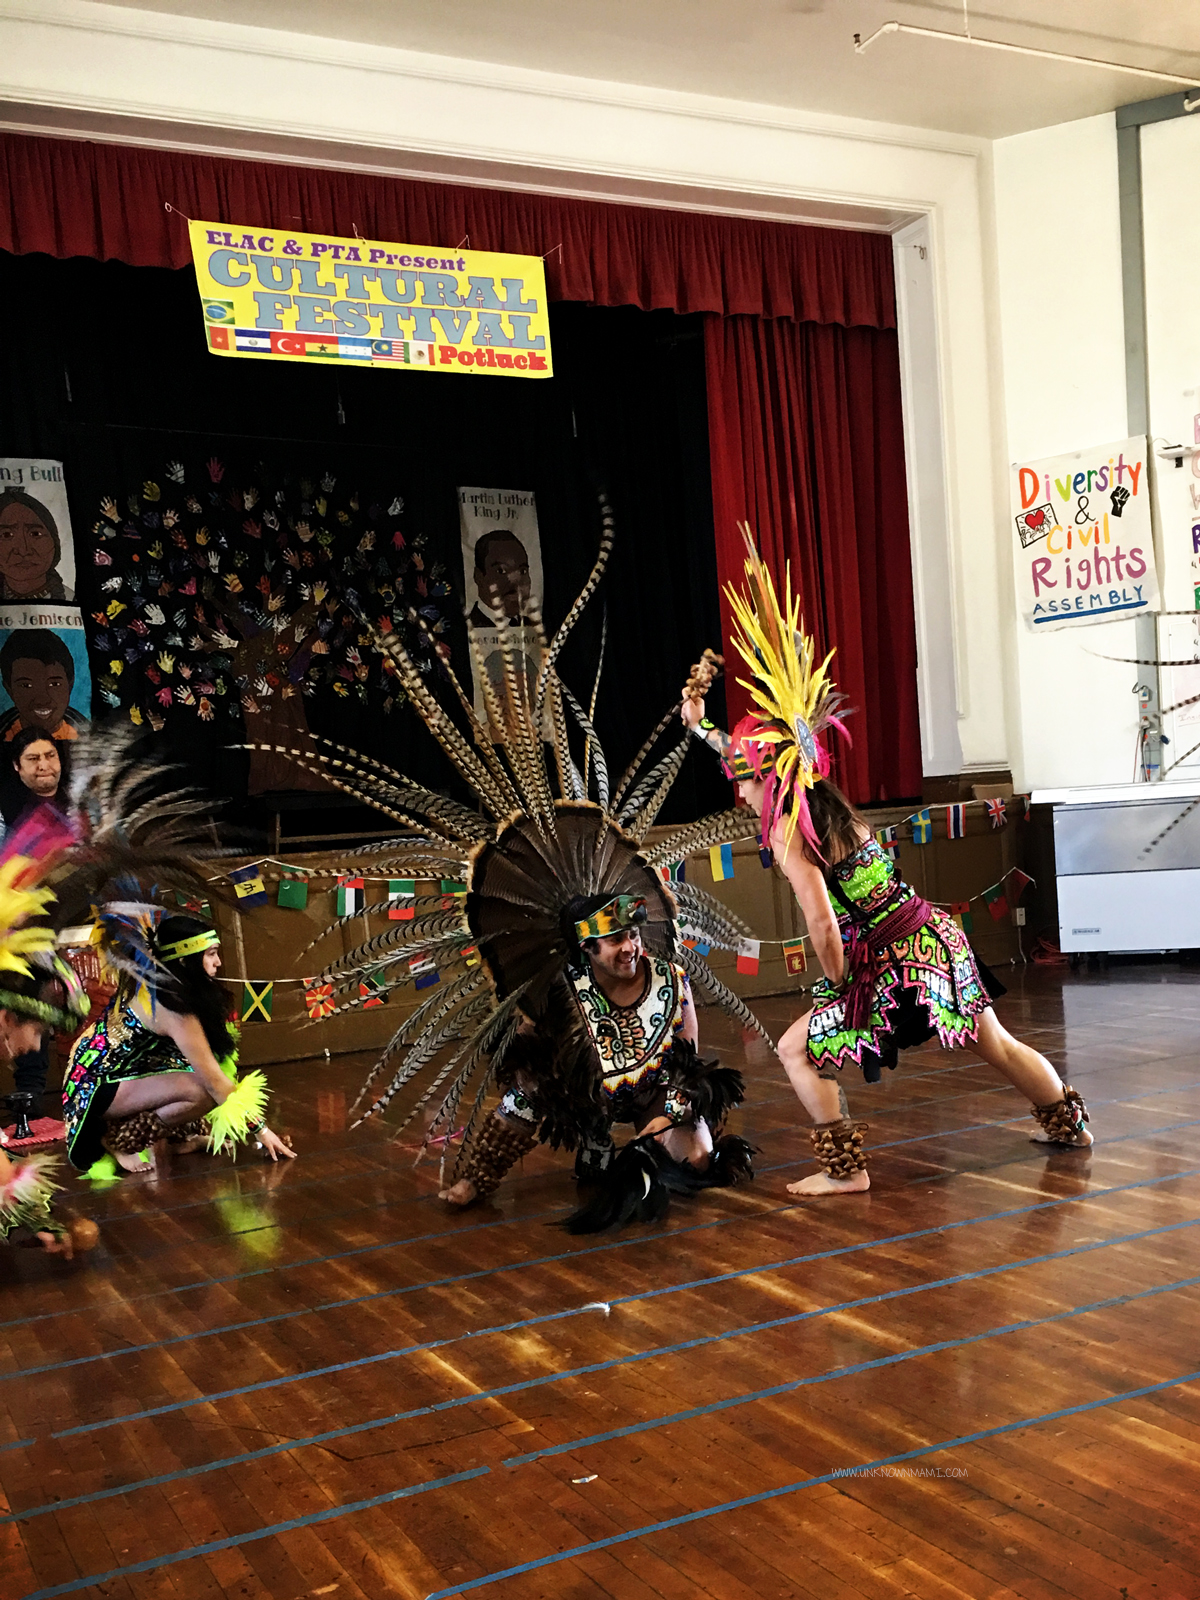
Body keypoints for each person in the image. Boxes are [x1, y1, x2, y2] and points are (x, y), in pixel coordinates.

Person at [683, 531, 1092, 1197]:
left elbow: (819, 920)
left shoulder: (789, 829)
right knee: (998, 1044)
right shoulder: (831, 808)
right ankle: (1070, 1125)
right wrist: (698, 726)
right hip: (938, 935)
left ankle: (847, 1171)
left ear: (771, 779)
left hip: (896, 957)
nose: (740, 790)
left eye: (746, 780)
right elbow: (752, 755)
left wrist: (844, 987)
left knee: (794, 1049)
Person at [439, 891, 752, 1228]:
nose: (631, 947)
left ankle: (632, 1145)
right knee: (528, 1087)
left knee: (698, 1161)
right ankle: (477, 1179)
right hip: (587, 1097)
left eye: (633, 935)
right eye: (616, 940)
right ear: (588, 946)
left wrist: (664, 1122)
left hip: (655, 1090)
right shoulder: (560, 987)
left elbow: (687, 1066)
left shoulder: (673, 980)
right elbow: (527, 1054)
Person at [64, 916, 296, 1178]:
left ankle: (180, 1140)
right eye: (210, 954)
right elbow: (214, 1084)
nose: (218, 962)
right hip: (94, 1084)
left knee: (194, 1068)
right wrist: (261, 1131)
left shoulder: (173, 987)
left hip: (127, 1070)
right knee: (201, 1090)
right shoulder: (170, 1004)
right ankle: (120, 1141)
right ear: (185, 960)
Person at [1, 727, 69, 1138]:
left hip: (83, 926)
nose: (44, 765)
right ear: (16, 766)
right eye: (33, 758)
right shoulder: (9, 811)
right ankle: (29, 1105)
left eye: (50, 756)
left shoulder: (82, 805)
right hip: (25, 931)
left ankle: (95, 1100)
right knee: (31, 1012)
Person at [0, 629, 89, 743]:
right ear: (9, 689)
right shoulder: (5, 736)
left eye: (54, 684)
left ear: (70, 685)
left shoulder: (92, 742)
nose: (42, 700)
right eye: (27, 685)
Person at [0, 488, 73, 602]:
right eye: (7, 535)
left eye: (35, 534)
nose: (23, 550)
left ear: (54, 542)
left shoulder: (72, 599)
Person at [467, 529, 532, 625]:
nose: (515, 581)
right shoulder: (466, 628)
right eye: (501, 571)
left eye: (522, 571)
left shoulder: (534, 627)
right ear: (479, 577)